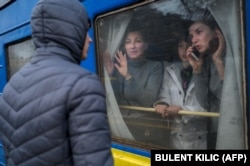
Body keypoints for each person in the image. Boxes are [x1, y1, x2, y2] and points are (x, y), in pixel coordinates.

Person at [0, 0, 113, 165]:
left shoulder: (10, 89)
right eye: (85, 31)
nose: (90, 40)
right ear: (72, 32)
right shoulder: (83, 86)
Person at [104, 26, 164, 141]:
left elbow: (148, 100)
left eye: (138, 41)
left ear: (146, 45)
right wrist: (111, 75)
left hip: (145, 125)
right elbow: (114, 100)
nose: (132, 46)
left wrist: (127, 76)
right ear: (125, 46)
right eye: (128, 42)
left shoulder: (154, 66)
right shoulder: (119, 66)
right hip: (120, 122)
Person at [154, 36, 207, 149]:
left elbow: (207, 104)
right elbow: (164, 94)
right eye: (180, 46)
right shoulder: (170, 70)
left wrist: (183, 110)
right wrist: (163, 104)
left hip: (198, 136)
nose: (184, 50)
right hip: (176, 135)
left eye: (188, 46)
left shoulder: (203, 70)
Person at [186, 15, 226, 149]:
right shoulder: (205, 62)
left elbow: (232, 102)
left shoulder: (234, 58)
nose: (194, 40)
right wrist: (197, 70)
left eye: (199, 32)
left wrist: (219, 61)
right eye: (191, 36)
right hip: (215, 130)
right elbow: (205, 104)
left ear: (216, 32)